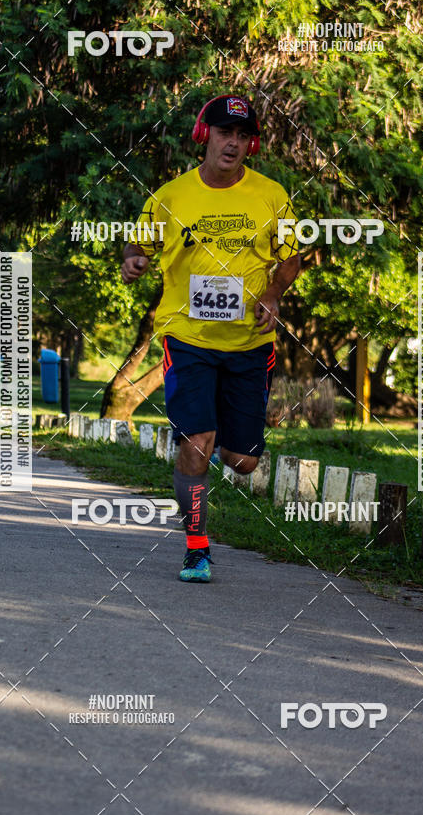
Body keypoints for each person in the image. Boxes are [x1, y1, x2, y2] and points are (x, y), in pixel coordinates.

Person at [121, 94, 300, 582]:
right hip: (188, 337)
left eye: (243, 136)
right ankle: (196, 546)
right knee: (197, 444)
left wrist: (273, 293)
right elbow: (139, 244)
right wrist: (134, 260)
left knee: (241, 461)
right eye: (225, 134)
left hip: (248, 343)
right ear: (205, 136)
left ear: (252, 143)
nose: (234, 143)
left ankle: (218, 430)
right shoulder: (172, 196)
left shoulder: (272, 195)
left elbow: (290, 257)